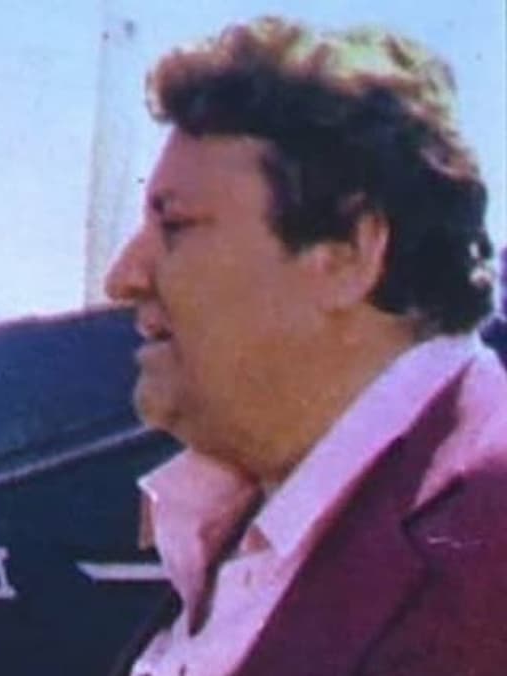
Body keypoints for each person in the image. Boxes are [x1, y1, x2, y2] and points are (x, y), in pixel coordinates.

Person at [104, 16, 507, 675]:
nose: (123, 277)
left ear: (349, 253)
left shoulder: (485, 547)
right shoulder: (243, 528)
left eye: (175, 225)